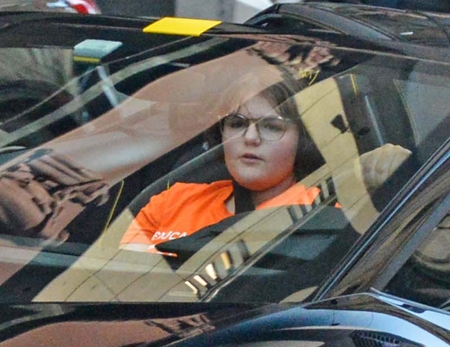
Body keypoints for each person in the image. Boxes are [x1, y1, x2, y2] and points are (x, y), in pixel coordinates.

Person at [124, 83, 322, 249]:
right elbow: (115, 286)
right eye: (237, 124)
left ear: (303, 139)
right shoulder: (172, 201)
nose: (250, 137)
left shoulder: (323, 213)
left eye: (271, 126)